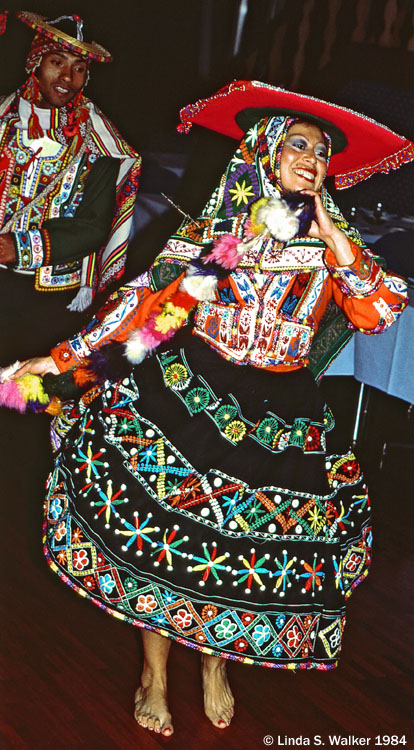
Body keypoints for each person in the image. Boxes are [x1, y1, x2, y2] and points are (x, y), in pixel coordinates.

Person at [3, 81, 412, 737]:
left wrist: (330, 221)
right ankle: (156, 677)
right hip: (189, 392)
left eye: (323, 152)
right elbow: (145, 312)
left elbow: (379, 309)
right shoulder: (219, 240)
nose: (311, 158)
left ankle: (215, 663)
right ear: (264, 153)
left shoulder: (336, 253)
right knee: (170, 547)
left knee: (241, 548)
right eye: (298, 145)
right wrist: (58, 359)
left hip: (280, 414)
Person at [0, 11, 141, 363]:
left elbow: (94, 226)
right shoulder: (3, 120)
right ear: (35, 62)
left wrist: (17, 247)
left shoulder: (99, 139)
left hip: (49, 297)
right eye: (56, 62)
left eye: (78, 68)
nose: (67, 77)